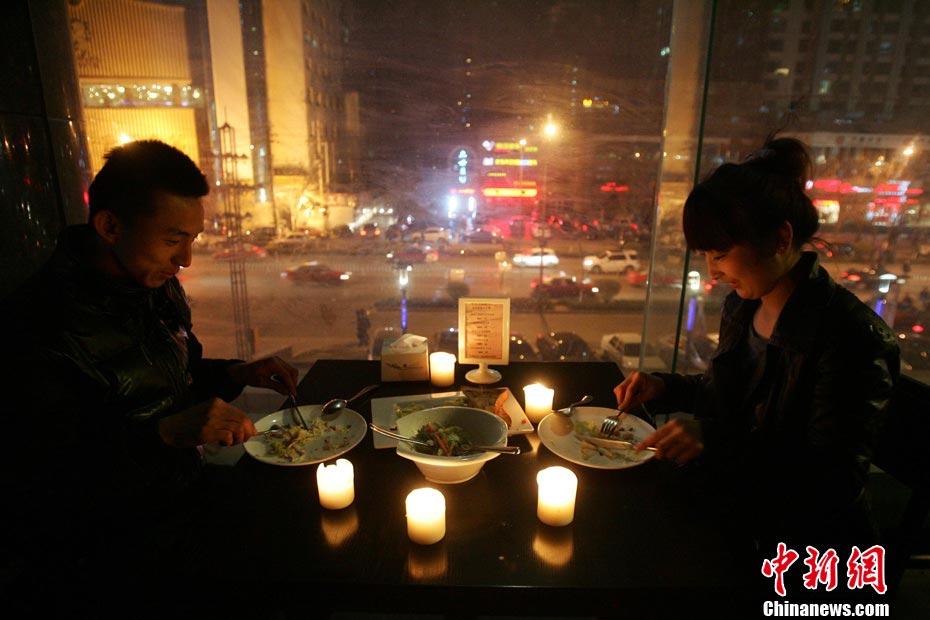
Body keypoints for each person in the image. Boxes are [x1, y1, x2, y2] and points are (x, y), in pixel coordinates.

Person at [1, 140, 299, 589]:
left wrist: (236, 374)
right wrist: (167, 433)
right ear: (110, 225)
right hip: (108, 552)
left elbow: (179, 377)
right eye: (172, 239)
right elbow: (46, 477)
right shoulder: (37, 326)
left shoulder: (150, 287)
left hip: (183, 500)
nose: (185, 259)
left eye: (193, 239)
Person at [614, 137, 900, 586]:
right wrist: (664, 386)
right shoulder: (745, 305)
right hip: (739, 506)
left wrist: (713, 439)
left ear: (781, 238)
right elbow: (729, 395)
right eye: (707, 256)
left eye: (721, 254)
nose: (712, 272)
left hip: (803, 555)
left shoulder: (850, 338)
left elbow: (832, 480)